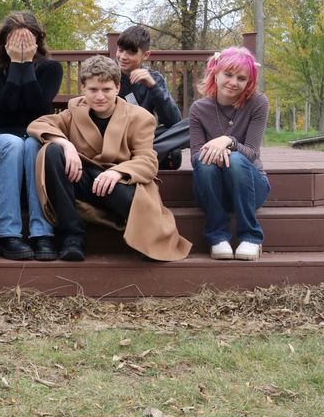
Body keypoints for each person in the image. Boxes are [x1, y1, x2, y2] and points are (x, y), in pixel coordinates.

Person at [28, 55, 191, 262]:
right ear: (84, 89)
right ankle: (72, 235)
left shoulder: (140, 118)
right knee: (51, 151)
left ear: (117, 88)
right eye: (93, 90)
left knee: (127, 197)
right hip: (84, 182)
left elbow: (148, 161)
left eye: (106, 90)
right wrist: (66, 144)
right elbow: (38, 124)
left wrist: (117, 172)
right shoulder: (74, 111)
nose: (99, 96)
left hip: (120, 185)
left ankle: (133, 229)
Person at [0, 11, 62, 261]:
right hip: (0, 143)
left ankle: (42, 233)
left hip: (34, 143)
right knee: (15, 143)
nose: (23, 45)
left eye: (27, 40)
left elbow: (37, 107)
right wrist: (17, 63)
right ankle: (5, 234)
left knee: (33, 144)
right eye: (16, 40)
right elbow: (6, 107)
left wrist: (27, 65)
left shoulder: (51, 69)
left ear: (38, 41)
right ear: (4, 42)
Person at [188, 47, 270, 260]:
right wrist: (213, 152)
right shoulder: (198, 109)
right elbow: (195, 155)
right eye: (228, 74)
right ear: (215, 73)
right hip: (212, 189)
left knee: (234, 158)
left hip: (251, 186)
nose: (234, 82)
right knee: (204, 161)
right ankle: (217, 237)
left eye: (241, 78)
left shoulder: (258, 103)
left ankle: (251, 237)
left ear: (249, 82)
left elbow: (251, 153)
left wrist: (228, 141)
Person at [115, 25, 188, 170]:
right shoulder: (108, 75)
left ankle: (137, 156)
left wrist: (153, 87)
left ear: (146, 55)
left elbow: (173, 122)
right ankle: (146, 156)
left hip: (146, 138)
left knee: (190, 125)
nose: (123, 57)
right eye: (120, 50)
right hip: (114, 138)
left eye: (131, 52)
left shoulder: (154, 79)